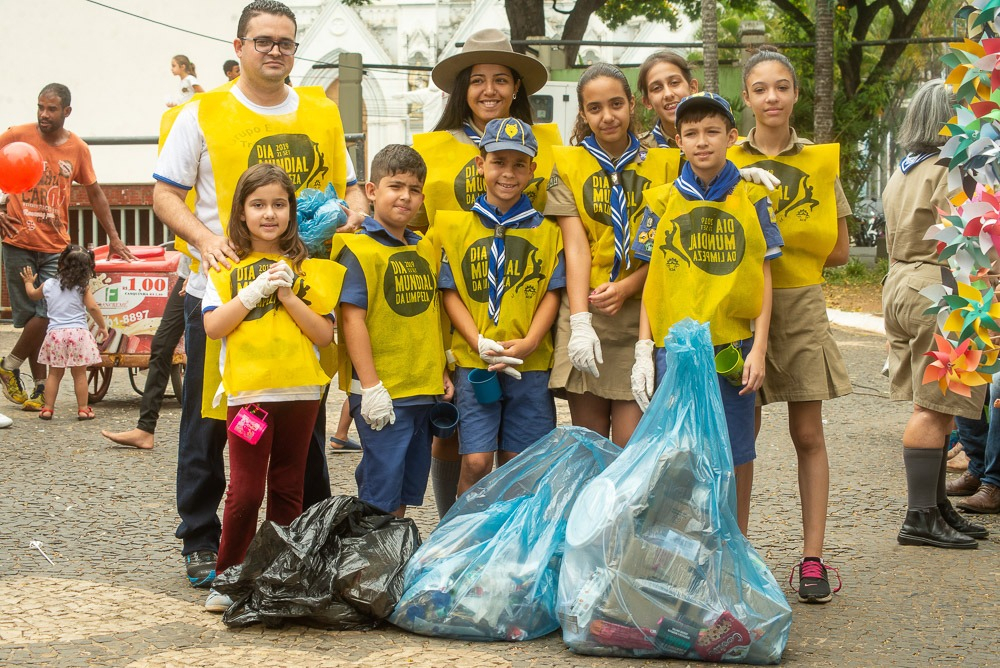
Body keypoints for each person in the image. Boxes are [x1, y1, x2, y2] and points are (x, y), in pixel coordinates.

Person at [153, 0, 368, 590]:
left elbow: (350, 188)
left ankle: (303, 540)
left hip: (302, 291)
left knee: (302, 418)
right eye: (263, 40)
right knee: (211, 420)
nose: (275, 51)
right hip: (222, 294)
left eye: (286, 42)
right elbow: (164, 194)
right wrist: (204, 240)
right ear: (239, 46)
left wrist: (351, 213)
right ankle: (203, 539)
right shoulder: (201, 113)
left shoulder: (321, 111)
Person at [412, 28, 557, 518]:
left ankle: (507, 538)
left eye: (501, 79)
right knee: (459, 440)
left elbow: (562, 225)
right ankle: (453, 528)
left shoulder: (547, 145)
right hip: (456, 308)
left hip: (523, 299)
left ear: (516, 86)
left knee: (519, 456)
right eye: (477, 80)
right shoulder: (434, 147)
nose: (489, 90)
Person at [730, 47, 855, 600]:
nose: (772, 97)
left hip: (801, 304)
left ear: (796, 94)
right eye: (760, 89)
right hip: (738, 307)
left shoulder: (820, 163)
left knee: (808, 434)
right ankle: (735, 551)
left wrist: (782, 242)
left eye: (782, 87)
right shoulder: (727, 157)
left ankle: (812, 559)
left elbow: (841, 250)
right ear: (746, 97)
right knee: (742, 435)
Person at [631, 91, 782, 536]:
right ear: (678, 141)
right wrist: (643, 349)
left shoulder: (752, 197)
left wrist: (759, 348)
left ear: (732, 137)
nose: (702, 141)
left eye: (712, 131)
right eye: (691, 133)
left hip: (732, 347)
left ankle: (735, 543)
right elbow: (652, 281)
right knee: (676, 452)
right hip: (674, 350)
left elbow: (764, 275)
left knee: (736, 453)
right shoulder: (661, 201)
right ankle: (679, 548)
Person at [202, 163, 340, 612]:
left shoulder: (309, 268)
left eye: (279, 204)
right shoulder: (223, 267)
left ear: (291, 212)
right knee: (245, 492)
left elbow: (323, 335)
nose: (269, 214)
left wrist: (287, 295)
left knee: (287, 489)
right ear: (241, 212)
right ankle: (228, 577)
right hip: (249, 399)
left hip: (300, 395)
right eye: (258, 204)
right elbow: (213, 327)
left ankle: (278, 578)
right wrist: (253, 291)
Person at [543, 63, 679, 447]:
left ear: (632, 104)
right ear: (583, 113)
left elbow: (666, 247)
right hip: (587, 307)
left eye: (616, 104)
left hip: (641, 312)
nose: (607, 116)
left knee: (628, 444)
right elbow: (575, 245)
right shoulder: (568, 165)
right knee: (589, 445)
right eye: (595, 108)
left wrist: (627, 288)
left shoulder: (665, 163)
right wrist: (580, 321)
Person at [882, 78, 988, 546]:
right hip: (942, 288)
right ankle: (920, 516)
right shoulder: (952, 167)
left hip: (903, 283)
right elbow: (968, 238)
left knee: (934, 405)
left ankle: (936, 505)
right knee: (935, 408)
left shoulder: (905, 168)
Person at [436, 118, 565, 494]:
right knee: (476, 461)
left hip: (529, 364)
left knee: (519, 464)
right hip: (475, 360)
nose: (508, 173)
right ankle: (464, 530)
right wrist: (476, 341)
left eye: (519, 164)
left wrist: (530, 342)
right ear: (481, 164)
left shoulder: (547, 231)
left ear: (532, 170)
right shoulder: (457, 229)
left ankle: (511, 532)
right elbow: (449, 292)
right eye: (498, 162)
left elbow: (552, 293)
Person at [332, 144, 451, 517]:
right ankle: (368, 554)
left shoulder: (423, 248)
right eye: (395, 186)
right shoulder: (358, 249)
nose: (405, 197)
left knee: (404, 489)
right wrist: (370, 387)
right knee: (380, 489)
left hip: (422, 390)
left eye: (414, 190)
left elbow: (430, 316)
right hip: (382, 392)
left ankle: (391, 550)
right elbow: (352, 320)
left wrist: (441, 370)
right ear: (371, 190)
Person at [0, 83, 132, 414]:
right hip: (17, 241)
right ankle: (40, 388)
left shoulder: (78, 149)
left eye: (52, 109)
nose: (44, 114)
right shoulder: (17, 135)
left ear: (67, 111)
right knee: (33, 319)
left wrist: (114, 238)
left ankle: (9, 364)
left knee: (47, 314)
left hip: (55, 246)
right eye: (40, 107)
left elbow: (95, 193)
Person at [99, 256, 190, 449]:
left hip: (214, 276)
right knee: (161, 345)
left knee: (204, 352)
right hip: (190, 277)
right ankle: (145, 429)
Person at [19, 245, 108, 420]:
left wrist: (28, 282)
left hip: (55, 335)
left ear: (60, 264)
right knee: (79, 374)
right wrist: (102, 327)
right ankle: (83, 409)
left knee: (54, 374)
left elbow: (33, 295)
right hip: (78, 334)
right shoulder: (82, 287)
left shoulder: (48, 284)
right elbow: (92, 308)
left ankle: (47, 409)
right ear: (86, 269)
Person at [637, 50, 698, 149]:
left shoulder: (720, 141)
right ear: (647, 102)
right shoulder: (640, 150)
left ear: (692, 88)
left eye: (674, 83)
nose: (668, 94)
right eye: (657, 88)